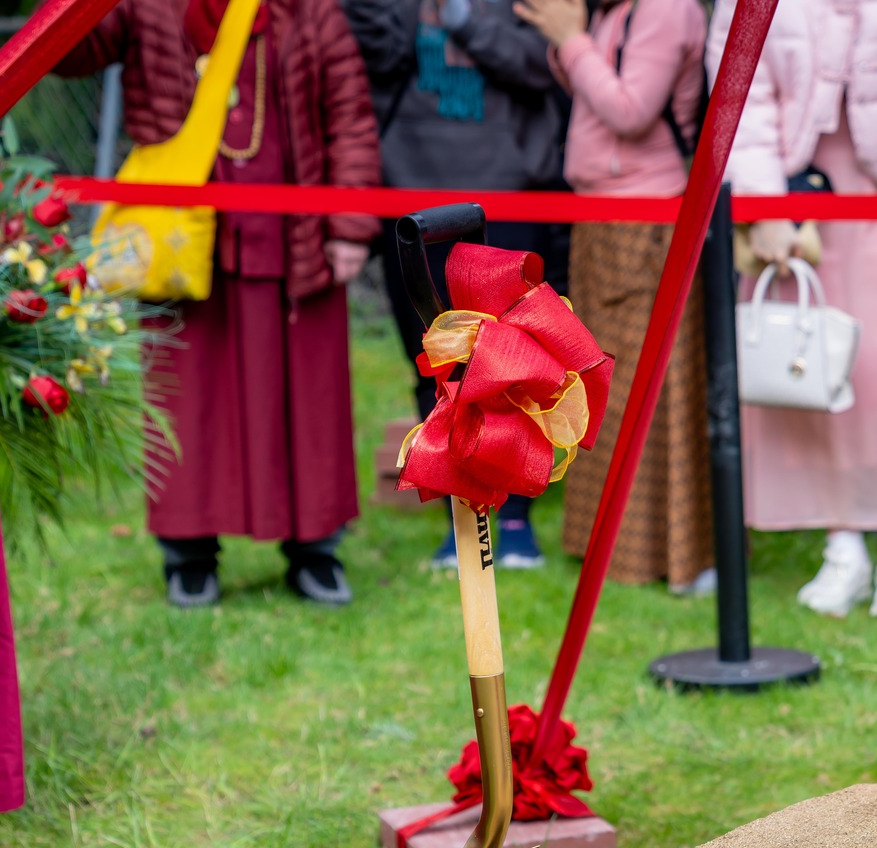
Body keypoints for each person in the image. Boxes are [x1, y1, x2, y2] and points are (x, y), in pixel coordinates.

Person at [58, 0, 382, 608]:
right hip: (183, 242)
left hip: (295, 239)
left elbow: (349, 116)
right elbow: (70, 49)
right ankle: (188, 554)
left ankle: (316, 549)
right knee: (189, 403)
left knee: (308, 403)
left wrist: (349, 225)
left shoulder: (310, 11)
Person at [707, 0, 877, 617]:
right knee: (812, 367)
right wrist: (764, 205)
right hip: (796, 195)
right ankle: (843, 548)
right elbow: (740, 95)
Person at [344, 0, 570, 569]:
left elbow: (542, 64)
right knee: (437, 365)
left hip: (507, 194)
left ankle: (515, 517)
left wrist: (466, 21)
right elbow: (369, 55)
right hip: (411, 193)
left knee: (513, 364)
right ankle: (464, 518)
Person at [513, 0, 711, 591]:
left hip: (644, 217)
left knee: (646, 387)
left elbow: (630, 110)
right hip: (601, 213)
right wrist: (569, 39)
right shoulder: (614, 8)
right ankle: (606, 545)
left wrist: (570, 38)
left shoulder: (665, 8)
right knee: (598, 383)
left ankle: (674, 556)